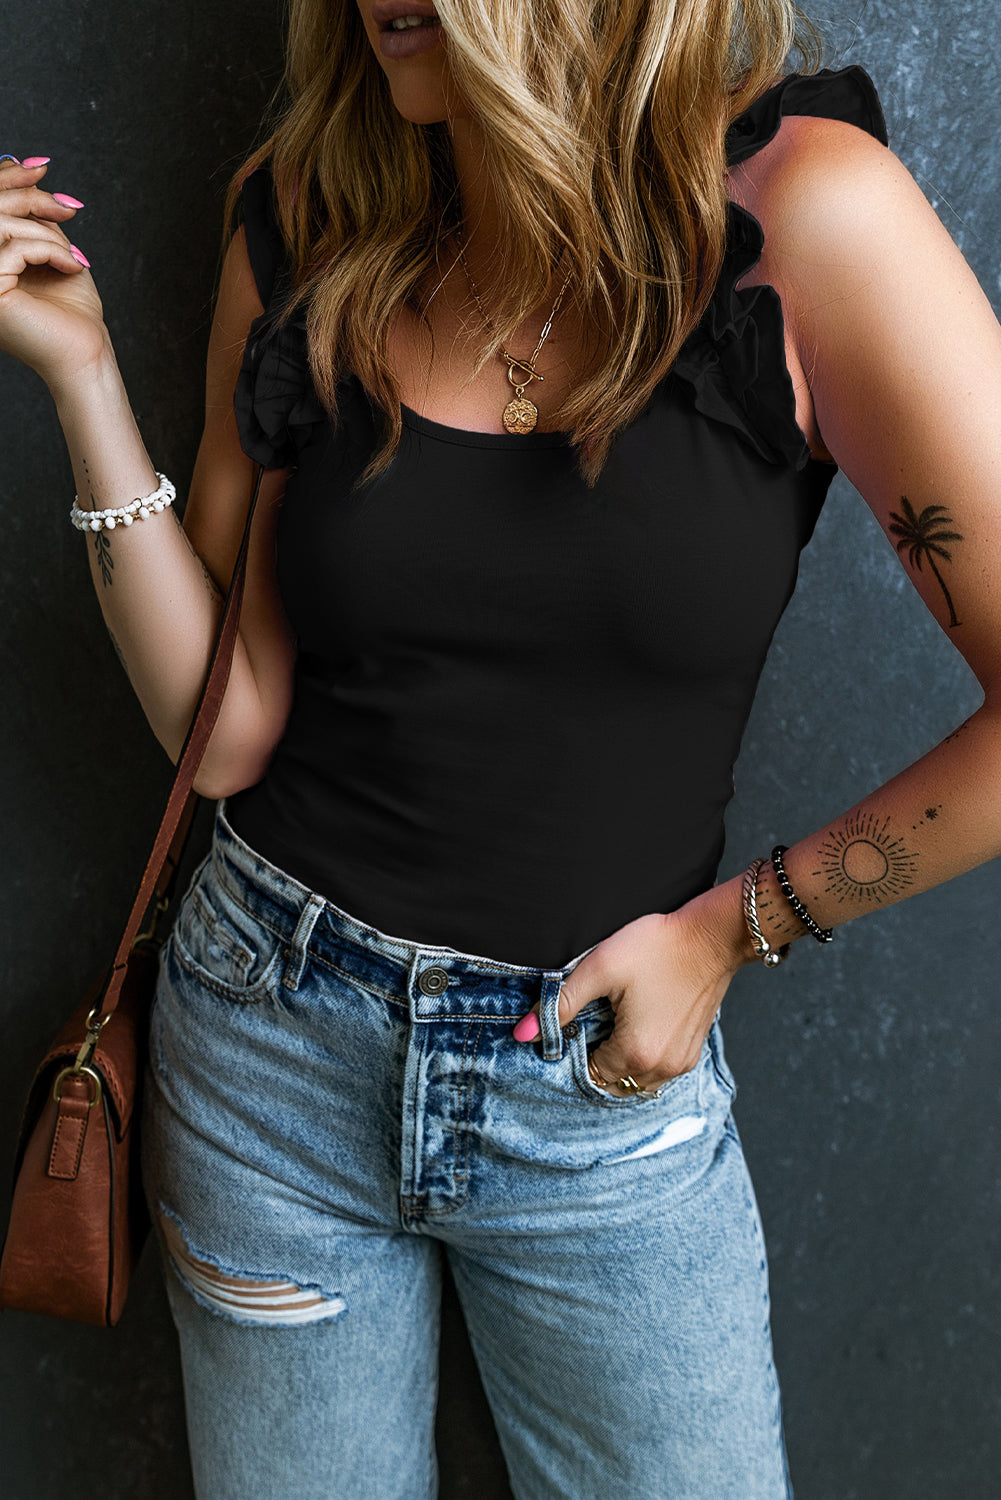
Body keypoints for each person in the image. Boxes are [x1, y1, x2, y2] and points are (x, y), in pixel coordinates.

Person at [1, 0, 999, 1494]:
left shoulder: (804, 214)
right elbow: (226, 733)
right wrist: (80, 378)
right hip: (266, 1048)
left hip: (592, 1098)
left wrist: (741, 929)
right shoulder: (306, 208)